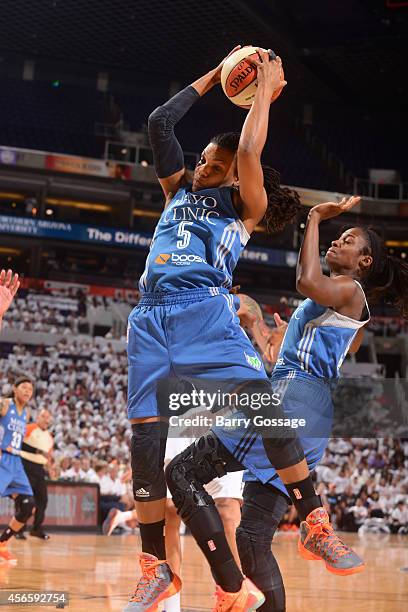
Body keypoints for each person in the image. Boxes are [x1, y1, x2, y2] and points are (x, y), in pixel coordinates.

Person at [125, 47, 302, 612]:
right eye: (200, 159)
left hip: (200, 317)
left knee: (228, 476)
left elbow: (250, 149)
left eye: (212, 163)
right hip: (153, 320)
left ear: (230, 175)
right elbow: (158, 122)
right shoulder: (177, 190)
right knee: (148, 454)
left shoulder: (239, 208)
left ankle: (280, 541)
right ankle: (163, 572)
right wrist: (221, 72)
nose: (201, 166)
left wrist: (262, 91)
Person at [168, 198, 408, 610]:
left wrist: (313, 217)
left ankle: (232, 585)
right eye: (337, 236)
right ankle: (303, 538)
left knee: (181, 472)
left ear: (364, 261)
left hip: (291, 397)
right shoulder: (341, 302)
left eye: (347, 240)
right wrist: (273, 338)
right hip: (307, 409)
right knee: (252, 538)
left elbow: (306, 282)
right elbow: (312, 347)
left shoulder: (350, 289)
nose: (336, 242)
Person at [0, 377, 35, 563]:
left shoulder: (26, 414)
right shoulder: (4, 404)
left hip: (16, 463)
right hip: (2, 459)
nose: (28, 391)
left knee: (28, 505)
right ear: (14, 389)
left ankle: (2, 543)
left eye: (30, 389)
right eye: (24, 387)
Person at [17, 409, 54, 540]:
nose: (45, 419)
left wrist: (50, 467)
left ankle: (36, 528)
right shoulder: (29, 428)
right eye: (43, 416)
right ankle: (18, 529)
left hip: (39, 469)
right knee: (25, 499)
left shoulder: (49, 437)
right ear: (37, 417)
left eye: (48, 417)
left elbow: (48, 456)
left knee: (42, 500)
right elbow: (18, 444)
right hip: (25, 465)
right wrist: (38, 451)